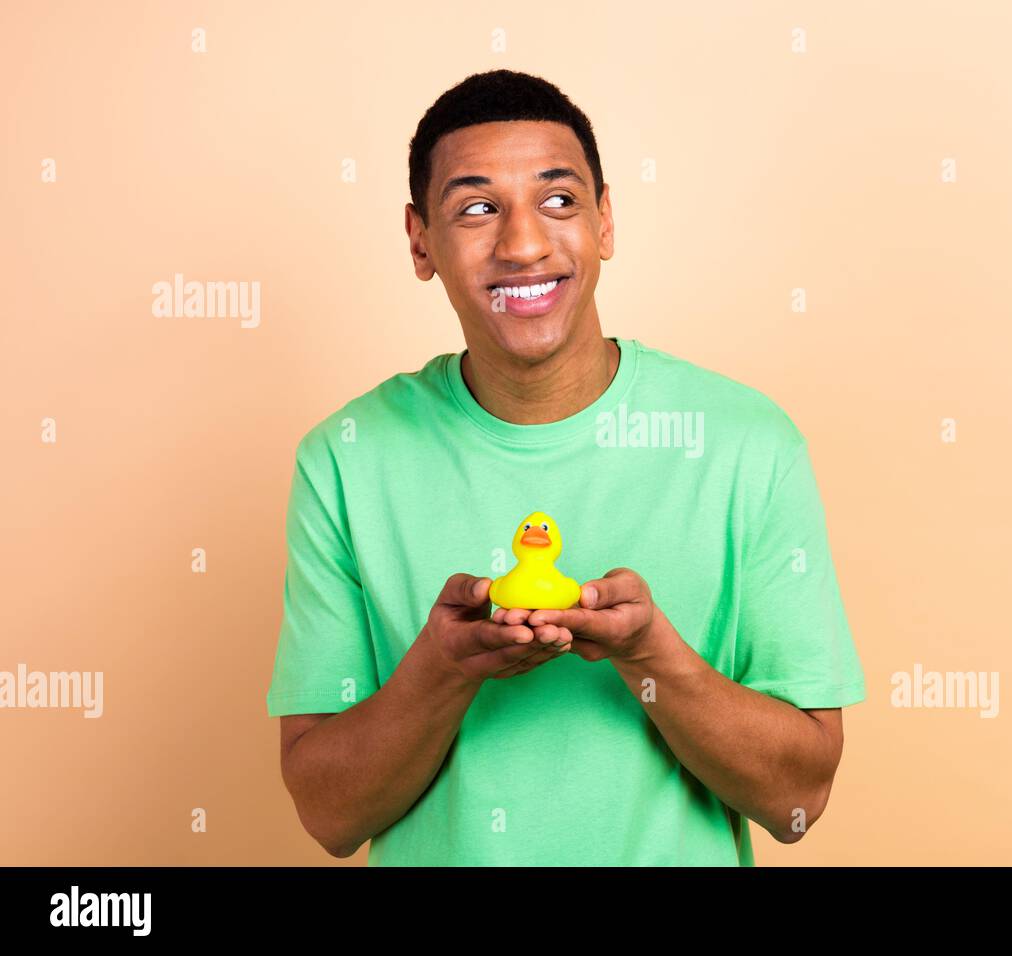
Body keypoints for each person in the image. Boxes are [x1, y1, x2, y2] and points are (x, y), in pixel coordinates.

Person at [266, 69, 866, 866]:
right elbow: (328, 817)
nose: (523, 243)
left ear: (605, 220)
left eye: (558, 201)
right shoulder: (345, 460)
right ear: (420, 241)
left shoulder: (747, 444)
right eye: (476, 208)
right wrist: (444, 670)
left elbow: (798, 803)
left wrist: (651, 655)